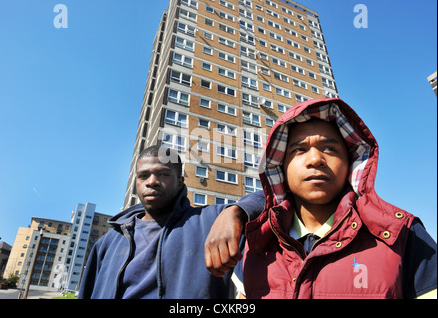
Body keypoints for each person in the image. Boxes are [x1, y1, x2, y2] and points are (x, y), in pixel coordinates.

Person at [238, 98, 437, 299]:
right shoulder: (253, 246)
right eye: (299, 150)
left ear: (351, 164)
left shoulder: (402, 233)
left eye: (329, 148)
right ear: (281, 169)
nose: (315, 159)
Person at [78, 145, 264, 299]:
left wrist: (237, 211)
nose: (152, 182)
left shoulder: (210, 221)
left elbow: (273, 197)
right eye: (143, 176)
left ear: (180, 182)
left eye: (163, 174)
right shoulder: (108, 243)